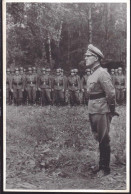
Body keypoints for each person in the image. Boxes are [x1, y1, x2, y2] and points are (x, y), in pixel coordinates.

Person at [85, 44, 116, 176]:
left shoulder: (102, 73)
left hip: (102, 109)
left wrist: (111, 109)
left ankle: (105, 169)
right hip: (93, 108)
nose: (85, 58)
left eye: (88, 56)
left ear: (96, 58)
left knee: (104, 139)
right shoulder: (93, 73)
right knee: (98, 137)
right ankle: (101, 165)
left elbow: (111, 93)